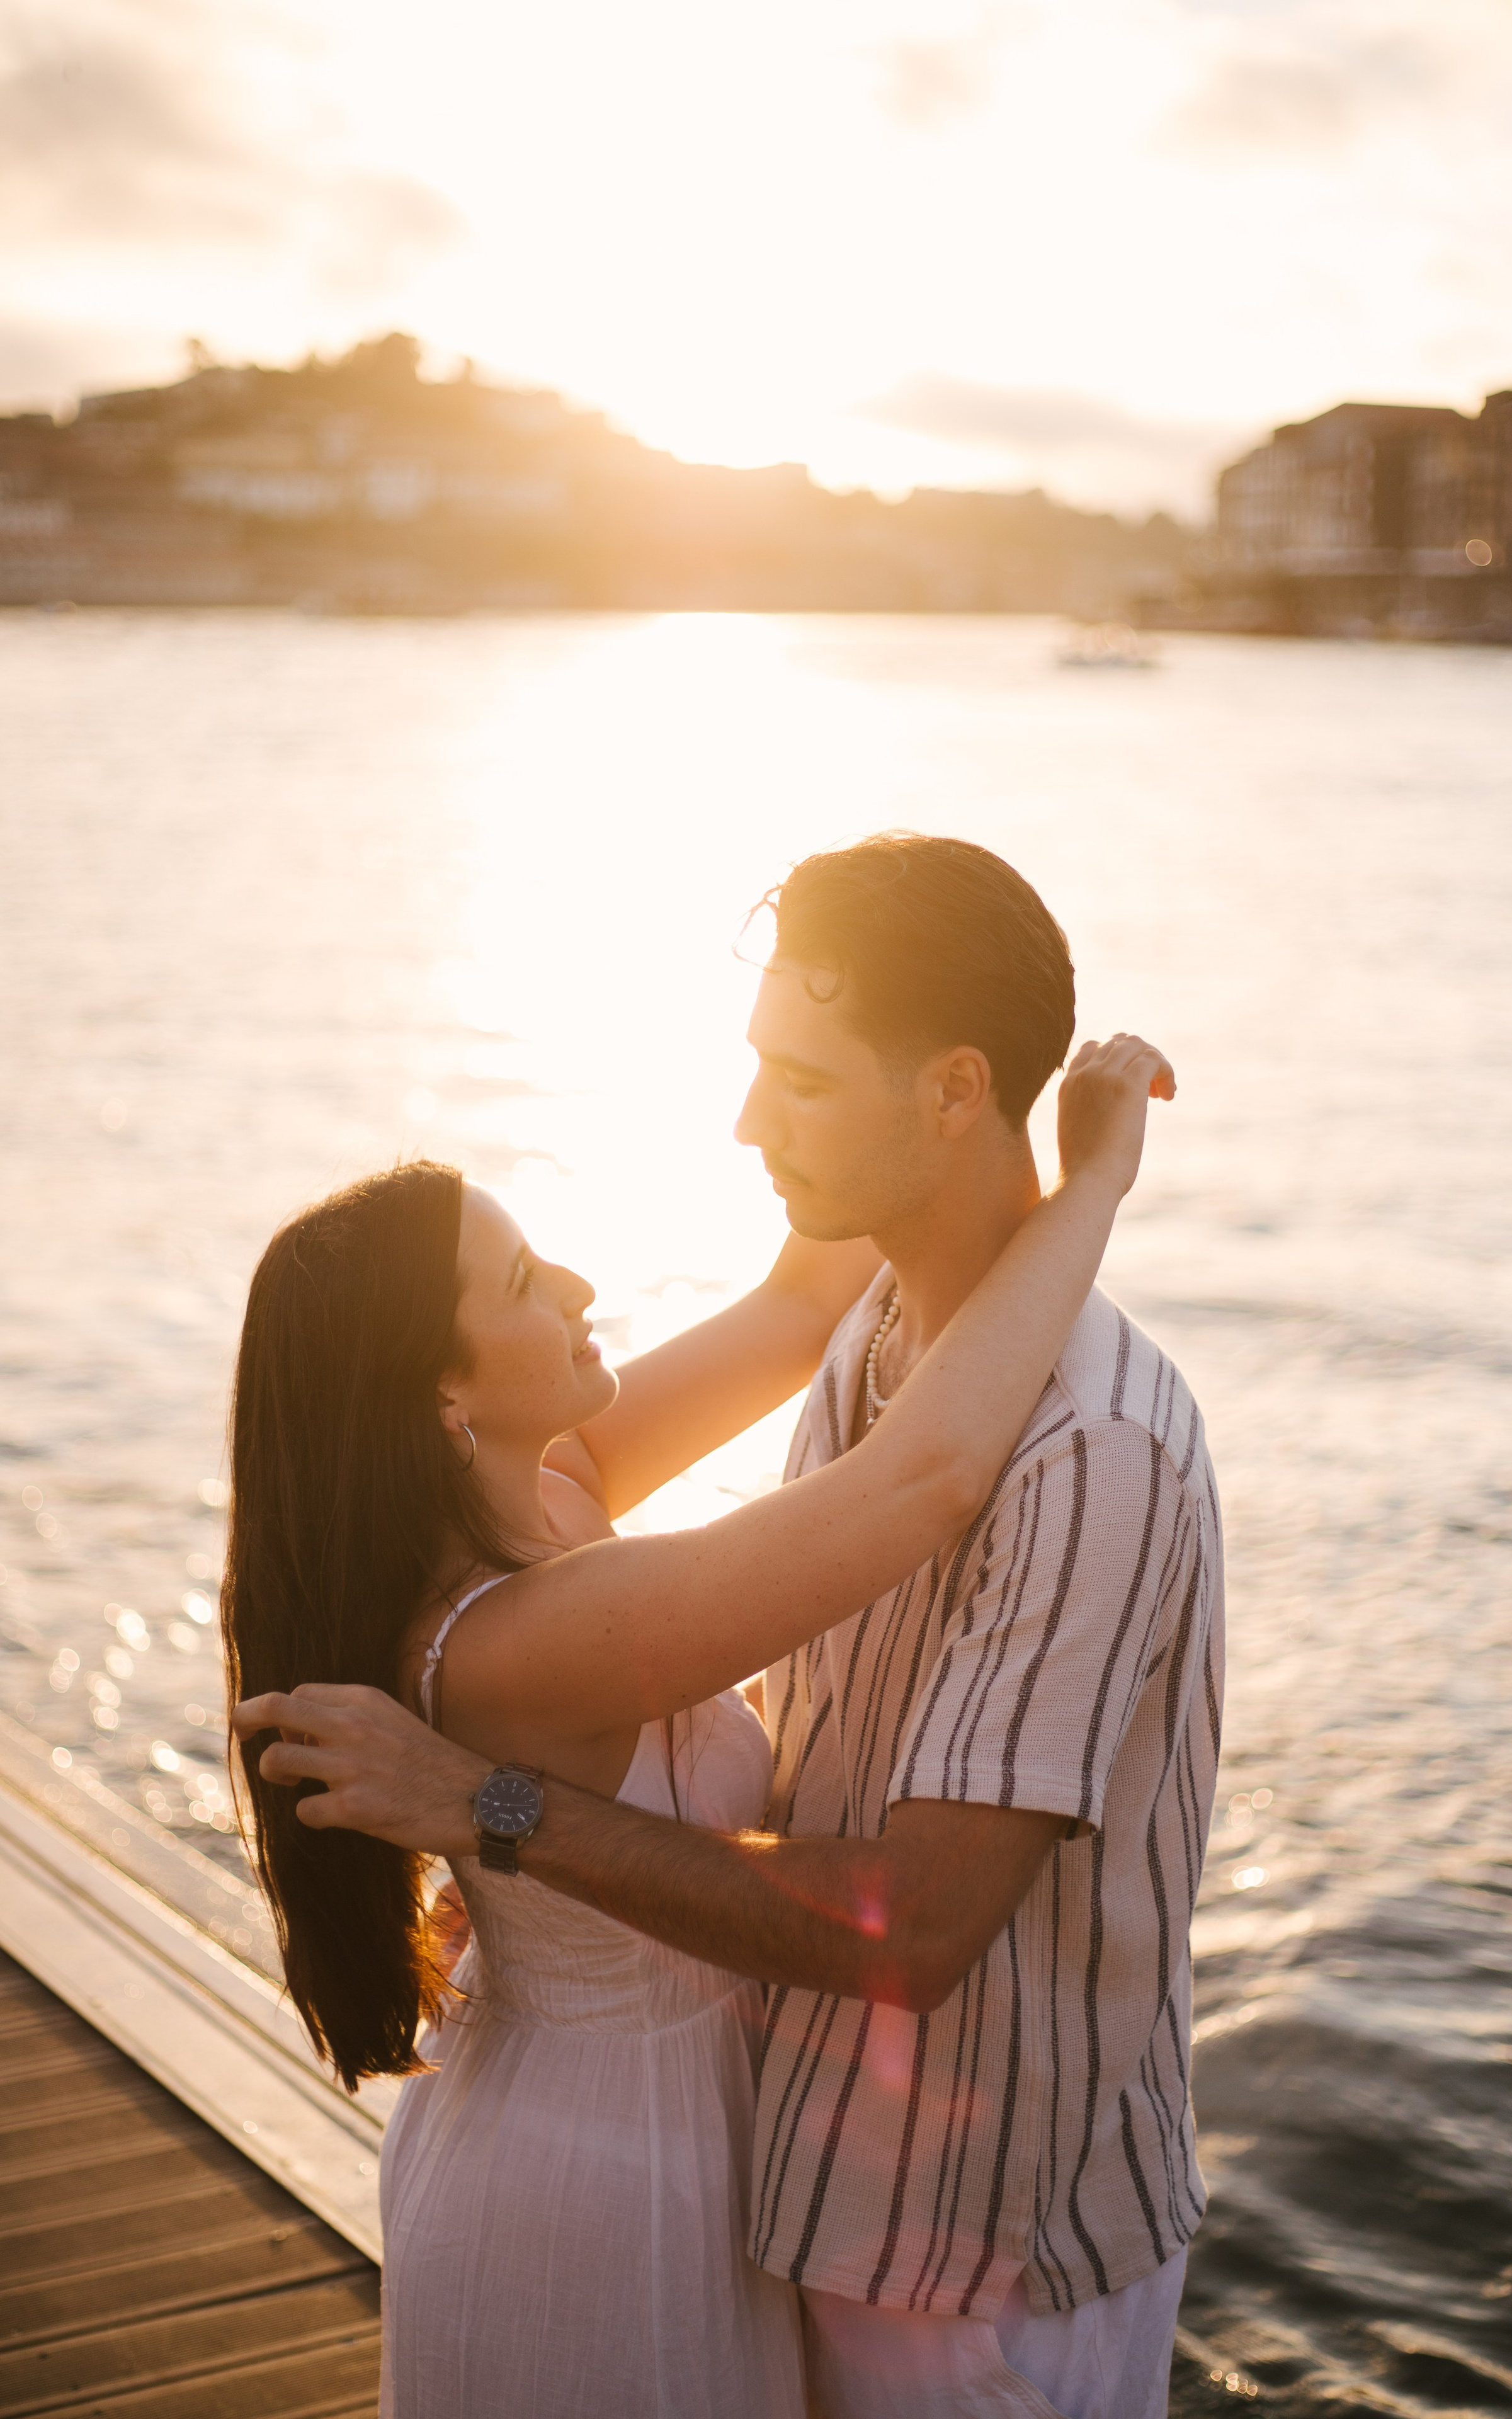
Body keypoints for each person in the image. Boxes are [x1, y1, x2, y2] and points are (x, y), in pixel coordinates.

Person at [224, 853, 1176, 2419]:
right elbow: (922, 1481)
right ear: (441, 1395)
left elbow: (807, 1298)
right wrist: (1092, 1185)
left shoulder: (551, 1490)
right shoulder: (525, 1637)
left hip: (656, 2139)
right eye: (526, 1282)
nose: (582, 1282)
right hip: (599, 2185)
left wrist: (899, 1079)